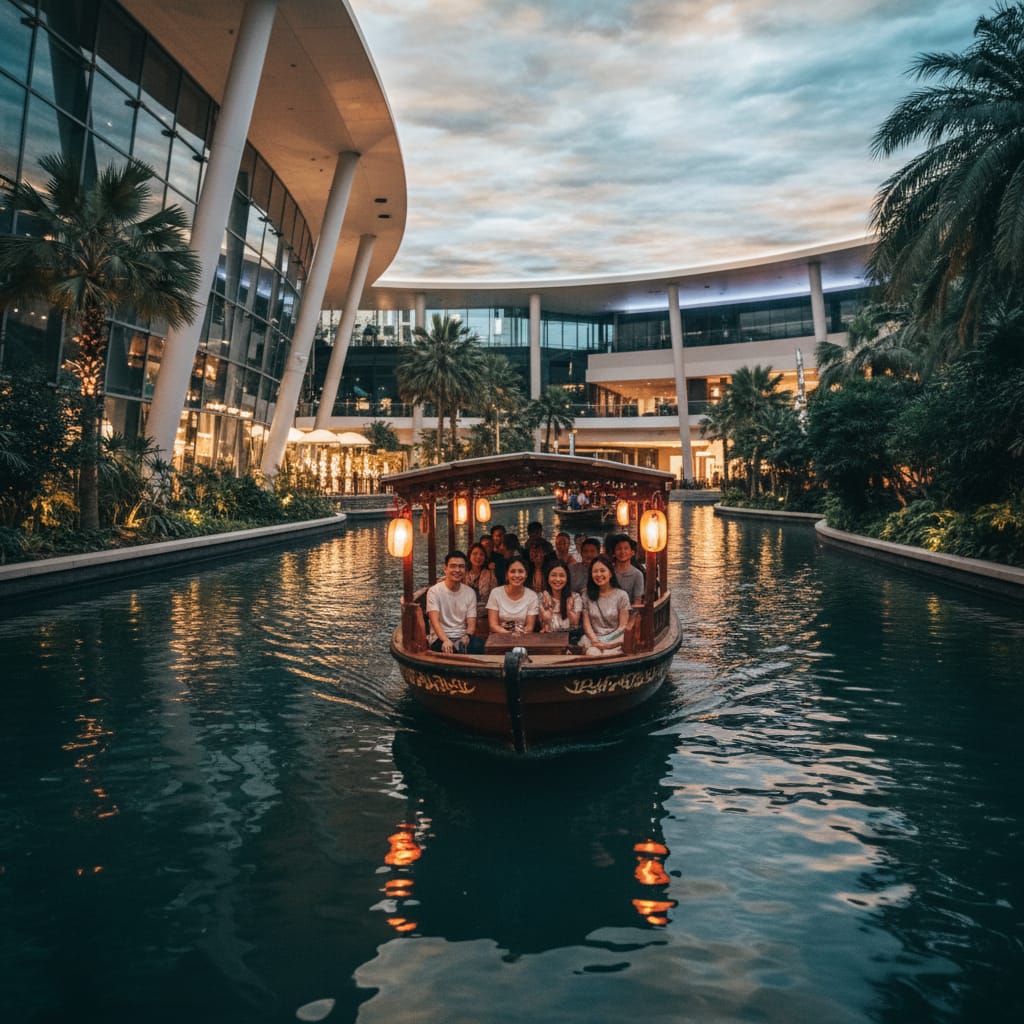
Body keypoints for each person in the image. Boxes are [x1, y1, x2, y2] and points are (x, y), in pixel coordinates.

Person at [425, 551, 485, 654]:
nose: (457, 570)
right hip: (440, 637)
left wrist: (467, 636)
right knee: (448, 648)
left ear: (465, 570)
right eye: (453, 566)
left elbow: (471, 624)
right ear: (445, 569)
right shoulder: (434, 591)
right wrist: (445, 640)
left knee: (478, 645)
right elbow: (435, 621)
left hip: (461, 636)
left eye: (461, 567)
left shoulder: (470, 592)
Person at [581, 554, 631, 657]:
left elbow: (622, 626)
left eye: (602, 570)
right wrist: (596, 641)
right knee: (592, 653)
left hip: (616, 639)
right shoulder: (586, 596)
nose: (599, 574)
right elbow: (587, 625)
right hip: (593, 639)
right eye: (595, 571)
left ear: (610, 573)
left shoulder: (622, 595)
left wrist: (606, 644)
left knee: (612, 654)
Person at [486, 555, 539, 637]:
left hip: (523, 638)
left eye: (521, 571)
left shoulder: (532, 596)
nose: (517, 575)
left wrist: (518, 636)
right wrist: (511, 634)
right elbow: (493, 626)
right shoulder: (496, 593)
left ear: (526, 574)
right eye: (512, 571)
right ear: (506, 575)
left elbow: (529, 627)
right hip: (499, 638)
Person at [539, 560, 582, 636]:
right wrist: (546, 620)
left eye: (561, 576)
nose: (558, 579)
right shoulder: (541, 597)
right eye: (553, 575)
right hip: (549, 639)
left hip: (570, 639)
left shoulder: (575, 597)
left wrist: (569, 610)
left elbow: (575, 623)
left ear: (567, 578)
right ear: (547, 577)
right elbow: (544, 627)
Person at [610, 533, 645, 606]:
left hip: (629, 610)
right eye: (619, 549)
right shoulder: (608, 571)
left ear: (632, 552)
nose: (622, 552)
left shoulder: (638, 575)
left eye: (626, 548)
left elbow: (637, 600)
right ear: (614, 553)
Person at [465, 541, 497, 617]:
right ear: (469, 556)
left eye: (481, 554)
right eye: (475, 553)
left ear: (485, 558)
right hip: (464, 614)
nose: (478, 557)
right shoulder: (463, 574)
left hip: (485, 615)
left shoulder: (490, 574)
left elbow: (495, 597)